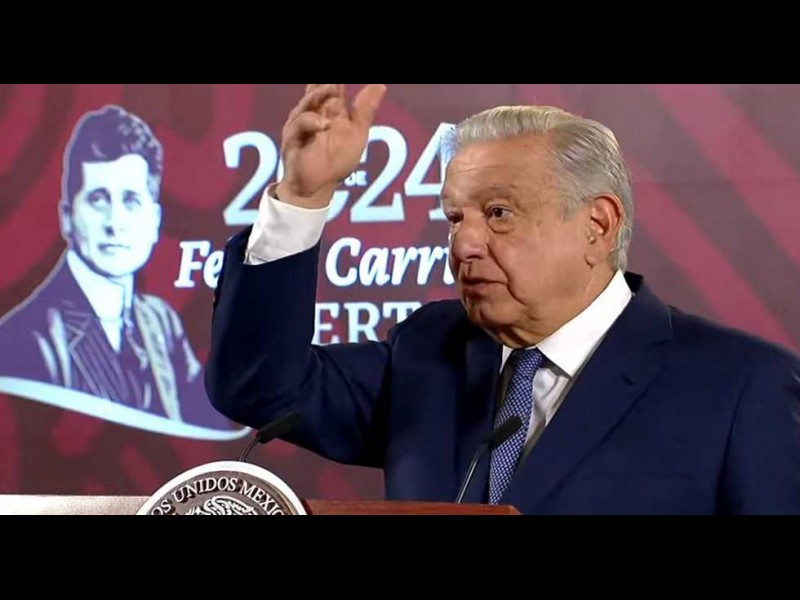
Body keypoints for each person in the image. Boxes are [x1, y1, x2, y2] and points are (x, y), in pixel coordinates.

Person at [205, 84, 800, 514]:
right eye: (454, 217)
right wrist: (302, 196)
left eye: (498, 213)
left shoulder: (743, 387)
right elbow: (260, 389)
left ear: (597, 226)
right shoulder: (428, 352)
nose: (464, 244)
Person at [0, 105, 235, 435]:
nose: (115, 222)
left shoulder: (160, 322)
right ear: (67, 216)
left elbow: (212, 425)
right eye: (98, 199)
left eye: (131, 200)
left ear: (154, 221)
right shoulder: (29, 339)